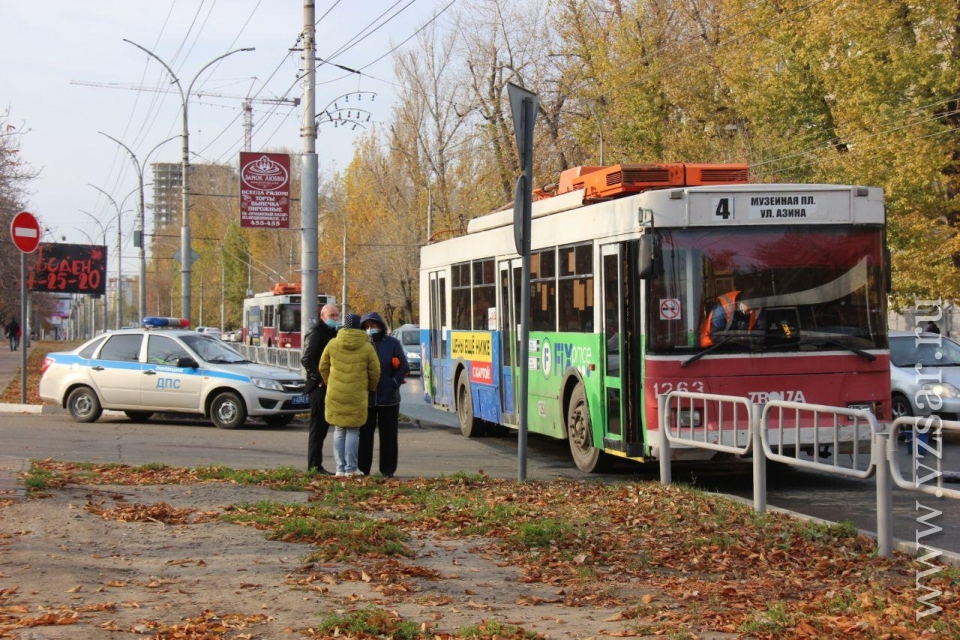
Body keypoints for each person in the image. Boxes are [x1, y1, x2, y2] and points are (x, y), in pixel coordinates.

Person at [319, 313, 380, 477]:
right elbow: (375, 371)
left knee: (339, 430)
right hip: (357, 394)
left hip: (335, 393)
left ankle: (340, 468)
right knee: (353, 431)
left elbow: (322, 367)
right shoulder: (366, 346)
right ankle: (351, 469)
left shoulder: (332, 344)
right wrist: (369, 387)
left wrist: (329, 383)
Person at [358, 312, 410, 477]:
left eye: (373, 325)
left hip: (389, 398)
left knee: (388, 436)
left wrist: (394, 382)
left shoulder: (392, 343)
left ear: (380, 326)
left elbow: (404, 366)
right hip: (367, 398)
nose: (370, 329)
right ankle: (363, 468)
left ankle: (387, 470)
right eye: (367, 326)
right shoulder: (361, 343)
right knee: (364, 436)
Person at [301, 303, 341, 474]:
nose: (334, 318)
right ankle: (314, 466)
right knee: (317, 428)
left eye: (336, 315)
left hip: (329, 385)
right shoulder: (316, 332)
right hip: (318, 386)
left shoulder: (334, 333)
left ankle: (318, 464)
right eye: (331, 315)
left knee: (324, 428)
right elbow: (307, 359)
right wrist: (318, 378)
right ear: (323, 316)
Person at [699, 290, 763, 347]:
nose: (752, 312)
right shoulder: (723, 306)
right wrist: (736, 339)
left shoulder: (757, 308)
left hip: (743, 348)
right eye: (750, 308)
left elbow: (760, 332)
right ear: (741, 302)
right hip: (712, 350)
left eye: (753, 309)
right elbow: (716, 336)